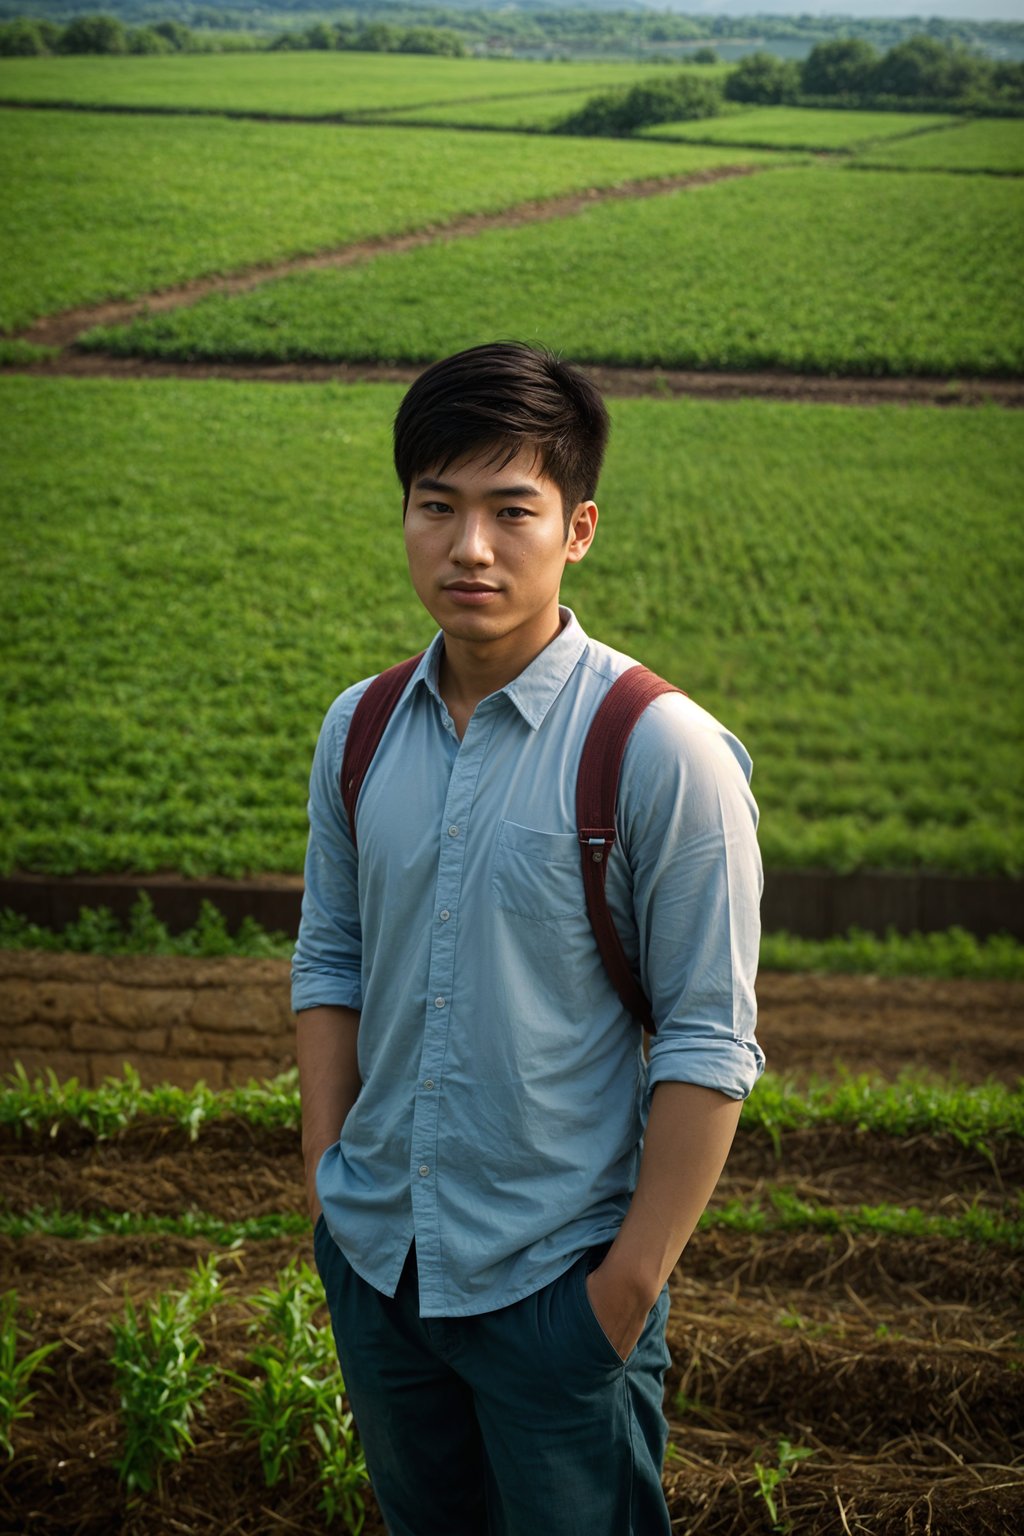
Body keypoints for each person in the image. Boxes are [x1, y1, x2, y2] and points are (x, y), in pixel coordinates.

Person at [292, 341, 764, 1536]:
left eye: (513, 511)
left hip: (560, 1287)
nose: (470, 548)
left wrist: (624, 1292)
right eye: (436, 507)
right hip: (383, 1269)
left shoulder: (664, 753)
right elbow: (331, 961)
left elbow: (710, 1040)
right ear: (403, 514)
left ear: (579, 528)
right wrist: (328, 1188)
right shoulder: (357, 732)